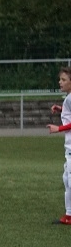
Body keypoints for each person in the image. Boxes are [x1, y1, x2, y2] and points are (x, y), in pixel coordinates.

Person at [46, 66, 71, 225]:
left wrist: (59, 128)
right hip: (69, 147)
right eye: (60, 79)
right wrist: (61, 109)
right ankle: (69, 215)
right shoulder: (68, 98)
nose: (60, 82)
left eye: (64, 79)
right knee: (67, 179)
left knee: (70, 180)